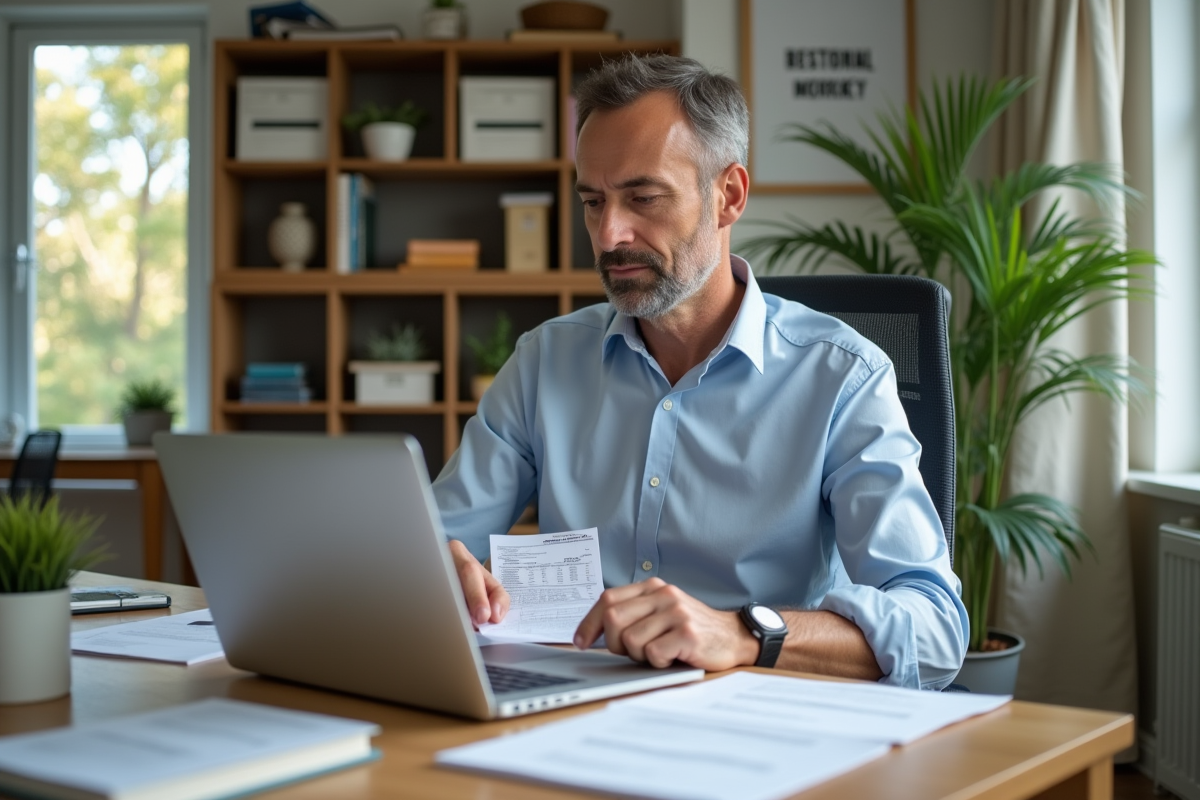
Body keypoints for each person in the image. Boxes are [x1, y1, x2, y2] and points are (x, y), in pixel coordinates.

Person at [432, 54, 967, 690]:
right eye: (592, 201)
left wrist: (742, 634)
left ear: (728, 195)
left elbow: (934, 629)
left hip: (763, 723)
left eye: (643, 197)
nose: (609, 235)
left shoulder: (841, 378)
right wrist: (437, 567)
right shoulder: (546, 362)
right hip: (571, 703)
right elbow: (433, 544)